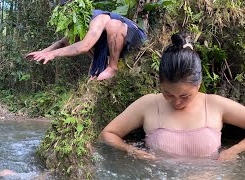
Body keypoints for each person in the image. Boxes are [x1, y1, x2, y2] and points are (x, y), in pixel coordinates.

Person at [100, 32, 245, 160]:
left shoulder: (215, 105)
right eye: (168, 93)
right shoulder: (148, 104)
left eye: (185, 95)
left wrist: (233, 151)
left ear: (198, 84)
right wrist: (131, 150)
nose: (177, 102)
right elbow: (107, 134)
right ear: (160, 83)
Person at [25, 9, 147, 81]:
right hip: (119, 46)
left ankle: (112, 68)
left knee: (112, 25)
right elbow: (62, 42)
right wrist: (44, 52)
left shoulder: (98, 18)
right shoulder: (79, 28)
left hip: (136, 39)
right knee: (81, 38)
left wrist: (53, 54)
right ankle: (99, 68)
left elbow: (85, 46)